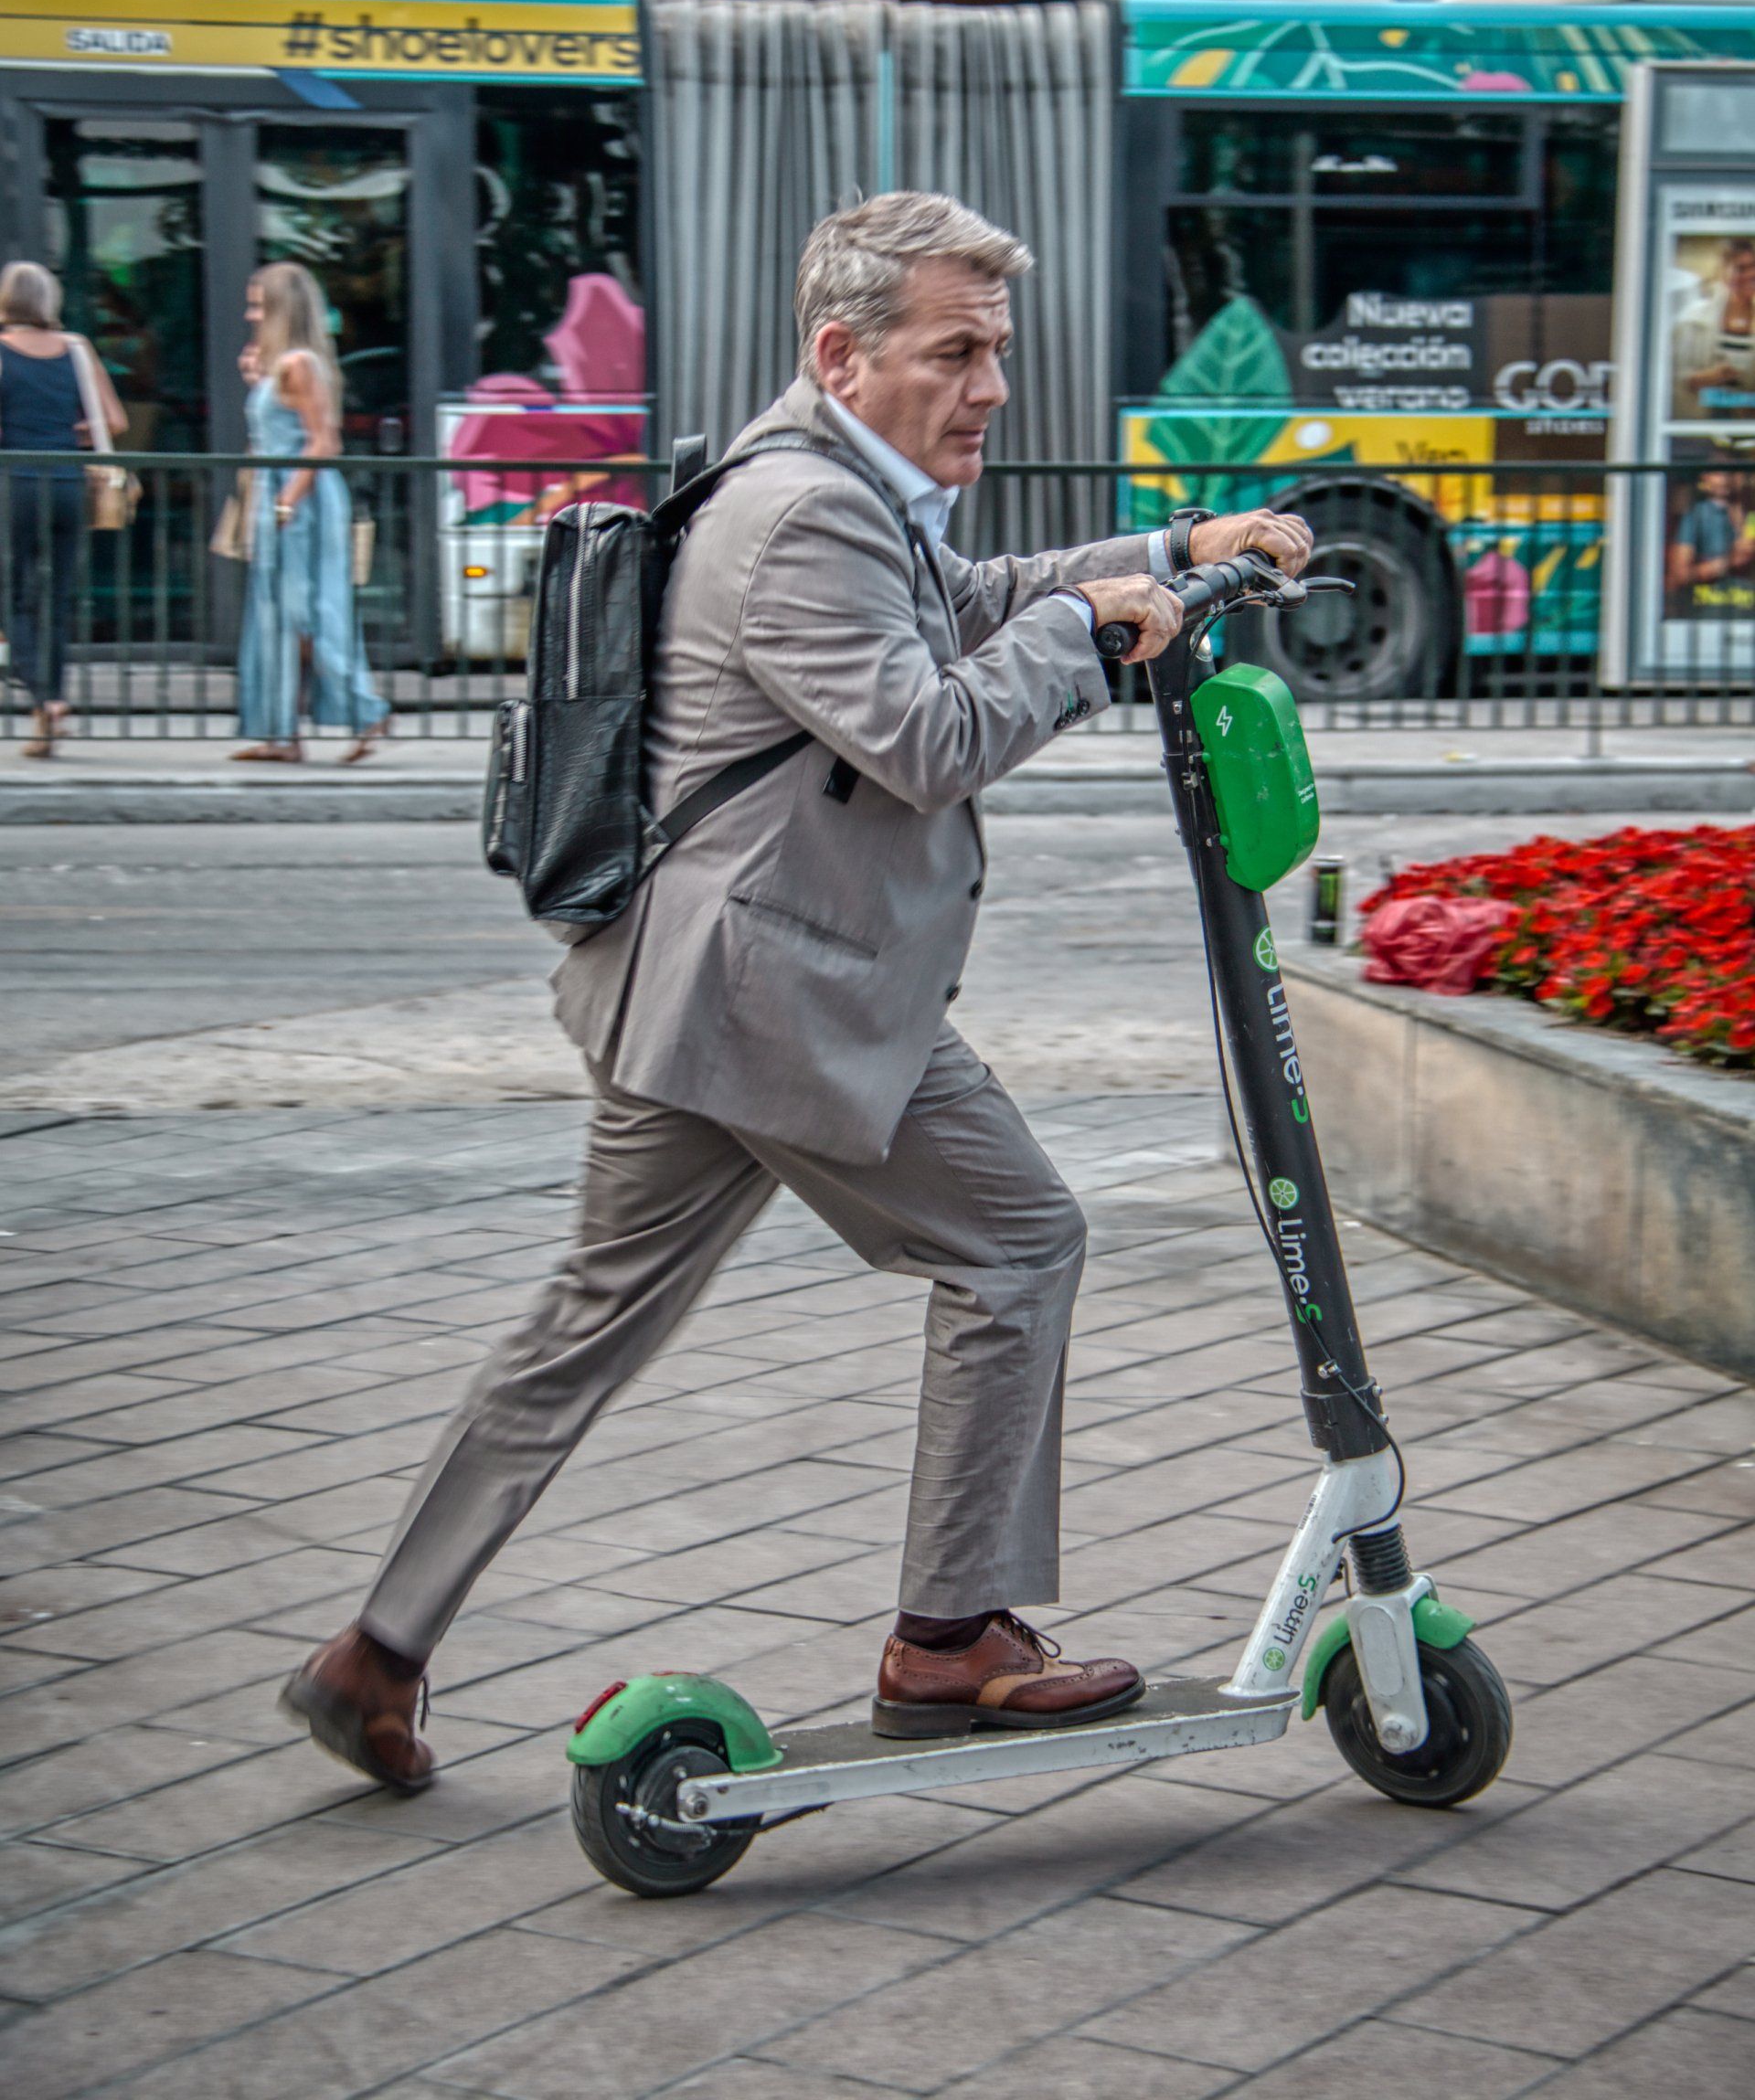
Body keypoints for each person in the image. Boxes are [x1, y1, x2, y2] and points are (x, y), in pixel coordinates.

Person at [282, 192, 1313, 1792]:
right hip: (783, 995)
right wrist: (1078, 637)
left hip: (702, 994)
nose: (989, 387)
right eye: (955, 352)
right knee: (1019, 1240)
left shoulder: (839, 484)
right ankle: (951, 1636)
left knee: (586, 1323)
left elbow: (969, 604)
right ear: (844, 352)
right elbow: (931, 734)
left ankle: (376, 1655)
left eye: (999, 353)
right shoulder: (804, 513)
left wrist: (1174, 554)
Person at [233, 262, 389, 764]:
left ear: (282, 308)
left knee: (308, 613)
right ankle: (283, 735)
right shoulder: (283, 364)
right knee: (276, 616)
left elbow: (325, 442)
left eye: (259, 304)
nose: (249, 313)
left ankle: (365, 711)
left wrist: (284, 502)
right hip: (282, 497)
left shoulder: (299, 363)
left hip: (299, 500)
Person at [0, 260, 126, 758]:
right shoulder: (77, 349)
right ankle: (45, 717)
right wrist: (62, 435)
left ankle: (44, 698)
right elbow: (112, 420)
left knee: (11, 595)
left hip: (14, 486)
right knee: (54, 599)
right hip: (69, 485)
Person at [1672, 238, 1755, 418]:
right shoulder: (1693, 319)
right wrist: (1712, 376)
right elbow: (1673, 378)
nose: (1751, 274)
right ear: (1724, 273)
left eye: (1754, 266)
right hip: (1703, 432)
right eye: (1741, 268)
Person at [1666, 464, 1753, 610]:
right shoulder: (1697, 516)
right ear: (1705, 477)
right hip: (1708, 609)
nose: (1726, 480)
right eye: (1718, 473)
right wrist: (1728, 561)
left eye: (1732, 473)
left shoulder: (1750, 515)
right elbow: (1679, 575)